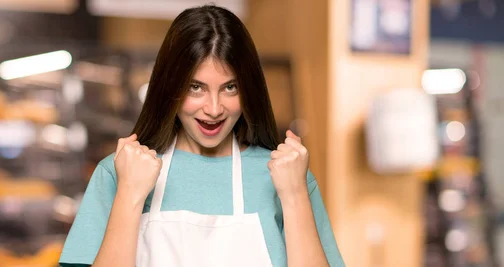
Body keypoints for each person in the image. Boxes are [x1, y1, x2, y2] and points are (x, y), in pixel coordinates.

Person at [59, 4, 344, 267]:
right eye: (196, 87)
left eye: (230, 87)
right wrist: (129, 195)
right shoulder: (119, 172)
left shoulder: (288, 175)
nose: (214, 109)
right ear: (170, 86)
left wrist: (294, 195)